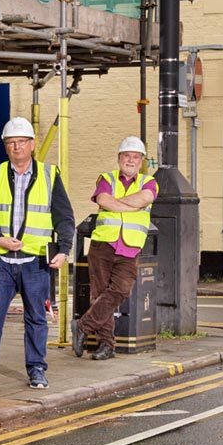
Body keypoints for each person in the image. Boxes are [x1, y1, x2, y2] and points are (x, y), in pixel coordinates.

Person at [0, 116, 74, 391]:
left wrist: (64, 250)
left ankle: (37, 369)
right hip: (1, 260)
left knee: (37, 318)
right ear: (6, 146)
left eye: (21, 142)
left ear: (31, 144)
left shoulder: (50, 176)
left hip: (36, 260)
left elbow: (64, 217)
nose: (16, 147)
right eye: (11, 142)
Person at [72, 136, 158, 361]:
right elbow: (103, 200)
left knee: (120, 291)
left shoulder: (149, 182)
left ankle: (83, 326)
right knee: (99, 295)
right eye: (127, 156)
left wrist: (117, 202)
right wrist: (129, 205)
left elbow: (145, 198)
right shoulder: (106, 178)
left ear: (141, 162)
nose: (131, 160)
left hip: (130, 247)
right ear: (119, 158)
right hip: (103, 244)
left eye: (135, 157)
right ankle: (107, 345)